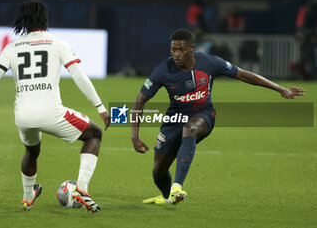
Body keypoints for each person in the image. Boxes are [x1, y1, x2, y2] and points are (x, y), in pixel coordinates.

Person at [131, 28, 305, 205]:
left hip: (203, 115)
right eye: (173, 49)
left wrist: (280, 88)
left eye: (181, 49)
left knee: (190, 129)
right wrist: (135, 136)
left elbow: (244, 75)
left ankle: (177, 186)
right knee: (158, 171)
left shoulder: (209, 62)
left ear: (192, 48)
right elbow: (140, 100)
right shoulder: (163, 70)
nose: (176, 54)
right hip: (174, 119)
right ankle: (168, 197)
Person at [0, 0, 110, 213]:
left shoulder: (12, 47)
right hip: (52, 113)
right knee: (94, 134)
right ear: (45, 19)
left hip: (23, 116)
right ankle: (82, 189)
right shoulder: (57, 43)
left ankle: (26, 197)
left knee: (32, 151)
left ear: (22, 20)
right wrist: (100, 107)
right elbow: (79, 76)